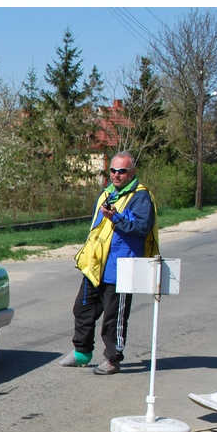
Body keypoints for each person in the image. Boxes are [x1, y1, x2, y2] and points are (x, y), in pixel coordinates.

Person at [59, 151, 159, 375]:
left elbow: (141, 228)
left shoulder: (140, 196)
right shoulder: (107, 193)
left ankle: (113, 360)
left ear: (132, 172)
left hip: (121, 268)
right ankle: (81, 353)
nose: (116, 175)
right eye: (113, 170)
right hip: (96, 266)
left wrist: (116, 217)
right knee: (82, 309)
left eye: (122, 171)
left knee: (114, 319)